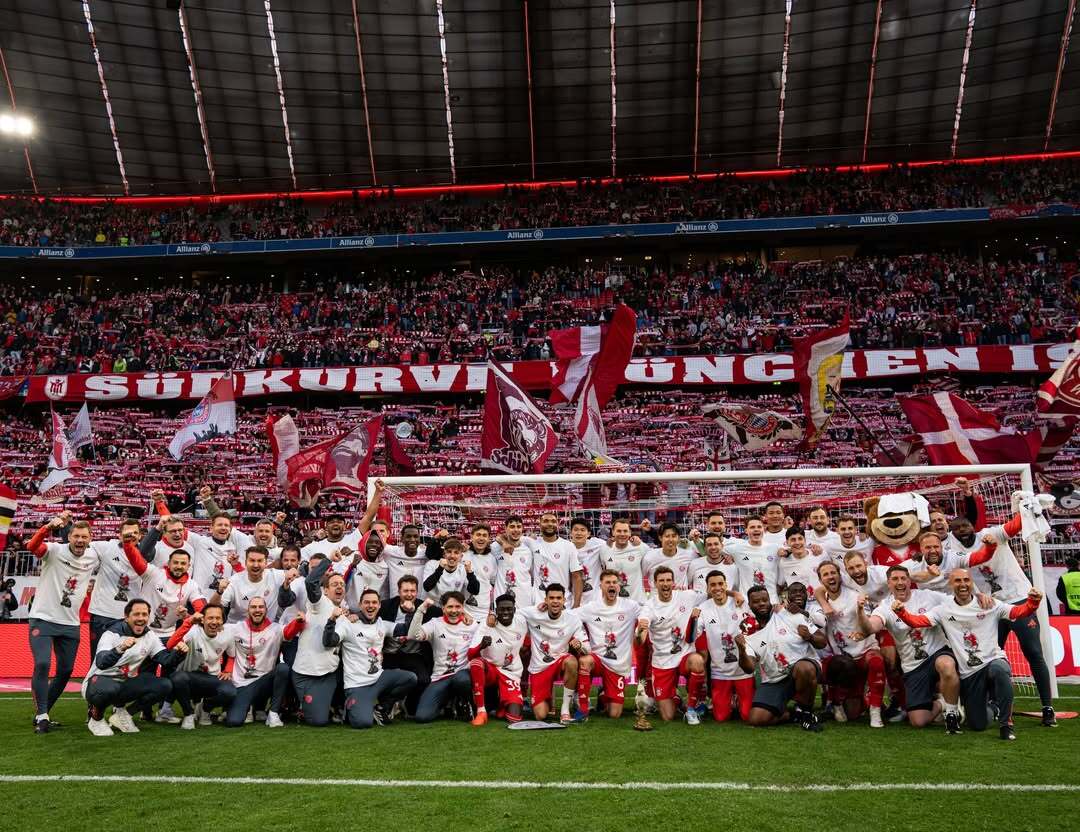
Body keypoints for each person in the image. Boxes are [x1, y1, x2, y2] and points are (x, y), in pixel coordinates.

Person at [894, 569, 1044, 740]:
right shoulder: (943, 610)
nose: (963, 584)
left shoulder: (989, 604)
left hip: (992, 660)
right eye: (957, 581)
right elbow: (917, 621)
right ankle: (994, 708)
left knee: (1001, 669)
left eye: (966, 580)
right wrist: (901, 613)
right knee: (977, 724)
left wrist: (1033, 602)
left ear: (972, 583)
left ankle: (1006, 725)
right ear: (951, 585)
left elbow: (1018, 612)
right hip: (969, 674)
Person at [943, 510, 1056, 726]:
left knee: (1033, 652)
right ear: (952, 533)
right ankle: (994, 704)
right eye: (956, 529)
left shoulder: (992, 533)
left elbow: (1014, 526)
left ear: (972, 526)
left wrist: (1026, 507)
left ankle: (1047, 707)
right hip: (992, 608)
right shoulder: (955, 552)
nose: (961, 531)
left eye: (964, 527)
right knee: (990, 658)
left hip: (1018, 599)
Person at [858, 565, 962, 732]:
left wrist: (977, 596)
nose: (900, 582)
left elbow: (956, 600)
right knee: (918, 721)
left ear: (909, 581)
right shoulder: (885, 607)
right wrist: (860, 611)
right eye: (895, 579)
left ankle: (952, 714)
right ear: (888, 584)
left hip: (937, 653)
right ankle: (942, 703)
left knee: (946, 665)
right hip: (913, 666)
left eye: (903, 578)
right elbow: (870, 627)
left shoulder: (927, 597)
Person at [26, 513, 100, 733]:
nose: (80, 540)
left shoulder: (94, 555)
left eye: (84, 537)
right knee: (42, 664)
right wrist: (47, 527)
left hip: (70, 624)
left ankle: (43, 712)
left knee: (66, 670)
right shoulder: (55, 550)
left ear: (90, 538)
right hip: (44, 618)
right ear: (69, 537)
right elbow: (32, 546)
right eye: (76, 536)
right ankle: (42, 715)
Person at [82, 599, 184, 736]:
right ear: (126, 616)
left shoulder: (150, 636)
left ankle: (123, 715)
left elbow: (166, 660)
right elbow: (101, 663)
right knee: (109, 689)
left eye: (144, 614)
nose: (141, 618)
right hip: (98, 682)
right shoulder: (111, 634)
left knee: (164, 685)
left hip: (124, 684)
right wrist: (120, 648)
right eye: (136, 614)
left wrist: (179, 653)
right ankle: (96, 718)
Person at [736, 582, 828, 732]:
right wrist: (741, 650)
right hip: (775, 679)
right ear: (750, 605)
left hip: (802, 669)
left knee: (803, 668)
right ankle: (793, 715)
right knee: (756, 719)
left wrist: (810, 637)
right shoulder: (748, 631)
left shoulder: (789, 615)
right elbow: (749, 668)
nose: (761, 604)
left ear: (770, 600)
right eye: (756, 602)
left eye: (764, 600)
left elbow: (822, 642)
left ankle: (806, 713)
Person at [324, 588, 417, 729]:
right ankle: (348, 709)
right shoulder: (349, 624)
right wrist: (331, 620)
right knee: (363, 723)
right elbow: (329, 641)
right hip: (357, 684)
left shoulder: (382, 624)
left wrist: (410, 613)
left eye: (374, 602)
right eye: (366, 602)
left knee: (410, 678)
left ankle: (381, 709)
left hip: (379, 679)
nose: (370, 605)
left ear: (379, 605)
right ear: (360, 605)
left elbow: (406, 630)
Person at [815, 561, 888, 727]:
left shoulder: (856, 596)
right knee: (852, 713)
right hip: (843, 661)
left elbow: (869, 625)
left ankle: (875, 711)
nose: (830, 577)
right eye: (825, 574)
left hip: (864, 652)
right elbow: (818, 594)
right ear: (820, 580)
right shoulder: (819, 601)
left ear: (840, 575)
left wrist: (861, 612)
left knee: (876, 661)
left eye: (833, 573)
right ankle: (836, 702)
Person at [637, 566, 707, 724]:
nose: (665, 583)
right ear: (655, 584)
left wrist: (734, 593)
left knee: (697, 660)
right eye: (661, 580)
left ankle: (690, 709)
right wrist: (640, 633)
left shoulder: (687, 596)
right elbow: (642, 633)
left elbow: (711, 592)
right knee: (668, 716)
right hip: (662, 662)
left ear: (673, 582)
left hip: (684, 655)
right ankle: (675, 698)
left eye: (668, 580)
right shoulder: (649, 606)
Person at [223, 595, 301, 728]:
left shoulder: (275, 629)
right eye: (253, 607)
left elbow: (289, 632)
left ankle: (273, 713)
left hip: (265, 684)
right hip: (242, 686)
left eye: (261, 607)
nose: (257, 610)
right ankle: (243, 708)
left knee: (283, 669)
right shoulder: (236, 628)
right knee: (233, 722)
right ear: (248, 611)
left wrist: (299, 621)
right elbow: (215, 627)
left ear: (266, 610)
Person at [520, 584, 592, 723]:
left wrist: (580, 646)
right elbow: (514, 612)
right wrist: (536, 607)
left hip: (560, 662)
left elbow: (587, 649)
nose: (555, 601)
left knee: (572, 661)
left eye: (559, 598)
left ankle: (565, 711)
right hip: (539, 668)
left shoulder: (572, 618)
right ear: (545, 600)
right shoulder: (533, 613)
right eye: (551, 598)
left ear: (564, 600)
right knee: (540, 715)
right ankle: (547, 699)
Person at [407, 591, 479, 724]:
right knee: (422, 717)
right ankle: (447, 702)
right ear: (443, 608)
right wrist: (421, 610)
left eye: (458, 607)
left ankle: (464, 701)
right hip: (440, 677)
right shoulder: (435, 624)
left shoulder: (472, 625)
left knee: (462, 680)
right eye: (450, 607)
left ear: (463, 607)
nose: (454, 610)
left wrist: (470, 615)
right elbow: (412, 636)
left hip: (462, 675)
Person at [290, 555, 345, 726]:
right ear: (326, 590)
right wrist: (328, 560)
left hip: (327, 674)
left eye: (342, 585)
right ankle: (300, 707)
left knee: (320, 719)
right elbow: (310, 582)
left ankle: (336, 705)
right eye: (335, 584)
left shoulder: (343, 614)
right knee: (317, 721)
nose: (339, 587)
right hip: (305, 672)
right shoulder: (320, 603)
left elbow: (332, 642)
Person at [694, 570, 756, 722]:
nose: (717, 588)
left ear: (726, 585)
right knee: (721, 717)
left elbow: (756, 621)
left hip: (743, 671)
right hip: (720, 673)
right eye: (713, 585)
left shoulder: (740, 602)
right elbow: (693, 635)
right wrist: (693, 619)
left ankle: (738, 699)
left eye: (720, 584)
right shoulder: (703, 608)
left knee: (747, 716)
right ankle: (731, 700)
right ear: (708, 588)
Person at [581, 569, 641, 719]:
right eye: (607, 582)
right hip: (598, 660)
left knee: (614, 714)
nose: (611, 585)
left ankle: (603, 695)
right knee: (584, 661)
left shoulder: (631, 607)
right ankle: (582, 709)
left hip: (617, 665)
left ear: (619, 586)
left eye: (614, 582)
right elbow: (568, 617)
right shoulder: (591, 608)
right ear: (600, 586)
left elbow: (648, 611)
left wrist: (644, 624)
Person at [166, 604, 237, 730]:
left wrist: (227, 670)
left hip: (212, 678)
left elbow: (231, 656)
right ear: (202, 620)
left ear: (222, 620)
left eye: (218, 618)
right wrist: (188, 621)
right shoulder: (193, 631)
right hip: (190, 678)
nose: (214, 622)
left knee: (230, 692)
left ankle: (206, 709)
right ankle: (189, 714)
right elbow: (170, 645)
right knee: (177, 678)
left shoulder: (228, 634)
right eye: (210, 618)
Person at [87, 518, 146, 657]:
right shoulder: (106, 547)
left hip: (129, 617)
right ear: (119, 535)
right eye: (127, 532)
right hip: (102, 614)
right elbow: (79, 544)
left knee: (125, 660)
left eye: (135, 533)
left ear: (140, 536)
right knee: (98, 658)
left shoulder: (147, 553)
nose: (131, 536)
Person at [468, 593, 528, 725]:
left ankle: (502, 705)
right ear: (496, 611)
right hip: (492, 670)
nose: (505, 612)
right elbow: (470, 655)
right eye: (501, 609)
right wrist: (481, 646)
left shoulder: (522, 622)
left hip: (511, 673)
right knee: (476, 662)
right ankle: (481, 711)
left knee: (514, 718)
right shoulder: (487, 624)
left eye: (509, 609)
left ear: (514, 610)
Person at [214, 545, 295, 623]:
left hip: (266, 631)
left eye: (260, 561)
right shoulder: (234, 581)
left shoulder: (277, 576)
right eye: (252, 560)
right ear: (245, 562)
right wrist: (219, 592)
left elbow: (296, 573)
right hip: (237, 631)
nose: (256, 565)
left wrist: (294, 571)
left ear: (266, 562)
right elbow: (215, 610)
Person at [530, 512, 583, 608]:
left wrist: (576, 605)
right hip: (539, 603)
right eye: (546, 521)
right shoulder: (532, 543)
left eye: (553, 521)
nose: (550, 524)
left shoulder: (568, 546)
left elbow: (577, 577)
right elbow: (504, 538)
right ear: (540, 524)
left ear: (557, 524)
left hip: (563, 603)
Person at [726, 515, 781, 604]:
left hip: (772, 603)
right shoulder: (736, 549)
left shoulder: (775, 548)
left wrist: (788, 552)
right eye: (752, 527)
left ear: (764, 529)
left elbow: (795, 549)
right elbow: (713, 549)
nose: (756, 529)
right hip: (747, 604)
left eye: (759, 527)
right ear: (746, 530)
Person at [600, 517, 648, 603]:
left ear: (630, 533)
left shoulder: (640, 547)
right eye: (618, 531)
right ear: (613, 532)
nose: (622, 534)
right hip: (614, 605)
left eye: (625, 531)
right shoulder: (604, 549)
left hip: (637, 603)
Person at [494, 515, 536, 607]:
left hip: (524, 603)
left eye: (519, 527)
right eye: (512, 527)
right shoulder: (495, 548)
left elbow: (533, 575)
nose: (516, 530)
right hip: (502, 603)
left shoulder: (528, 550)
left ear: (522, 529)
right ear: (506, 528)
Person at [421, 538, 480, 603]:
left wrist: (470, 573)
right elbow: (426, 587)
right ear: (444, 554)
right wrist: (440, 569)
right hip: (432, 606)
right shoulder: (432, 564)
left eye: (456, 553)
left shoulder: (463, 568)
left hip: (451, 608)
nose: (452, 556)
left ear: (461, 556)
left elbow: (475, 591)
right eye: (449, 552)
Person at [642, 522, 696, 591]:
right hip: (657, 600)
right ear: (660, 538)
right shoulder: (649, 557)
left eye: (674, 536)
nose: (670, 540)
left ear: (679, 538)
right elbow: (638, 577)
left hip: (681, 600)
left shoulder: (689, 555)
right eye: (667, 536)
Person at [343, 531, 389, 609]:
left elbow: (385, 595)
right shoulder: (352, 559)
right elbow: (342, 584)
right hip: (351, 613)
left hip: (374, 614)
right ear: (363, 543)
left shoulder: (385, 567)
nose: (374, 544)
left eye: (377, 543)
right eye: (369, 542)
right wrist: (352, 567)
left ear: (381, 547)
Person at [777, 526, 828, 596]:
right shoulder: (784, 562)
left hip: (821, 602)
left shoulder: (819, 555)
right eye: (793, 540)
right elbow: (780, 585)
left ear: (805, 540)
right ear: (787, 543)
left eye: (800, 539)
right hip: (799, 605)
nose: (797, 542)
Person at [380, 524, 428, 593]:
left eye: (416, 536)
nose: (412, 540)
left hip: (419, 602)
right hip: (396, 601)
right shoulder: (391, 552)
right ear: (402, 539)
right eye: (408, 536)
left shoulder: (425, 554)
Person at [569, 518, 605, 605]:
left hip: (594, 599)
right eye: (576, 530)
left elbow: (615, 544)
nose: (579, 533)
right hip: (571, 599)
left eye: (582, 530)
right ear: (571, 533)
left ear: (588, 534)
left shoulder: (598, 544)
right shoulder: (566, 548)